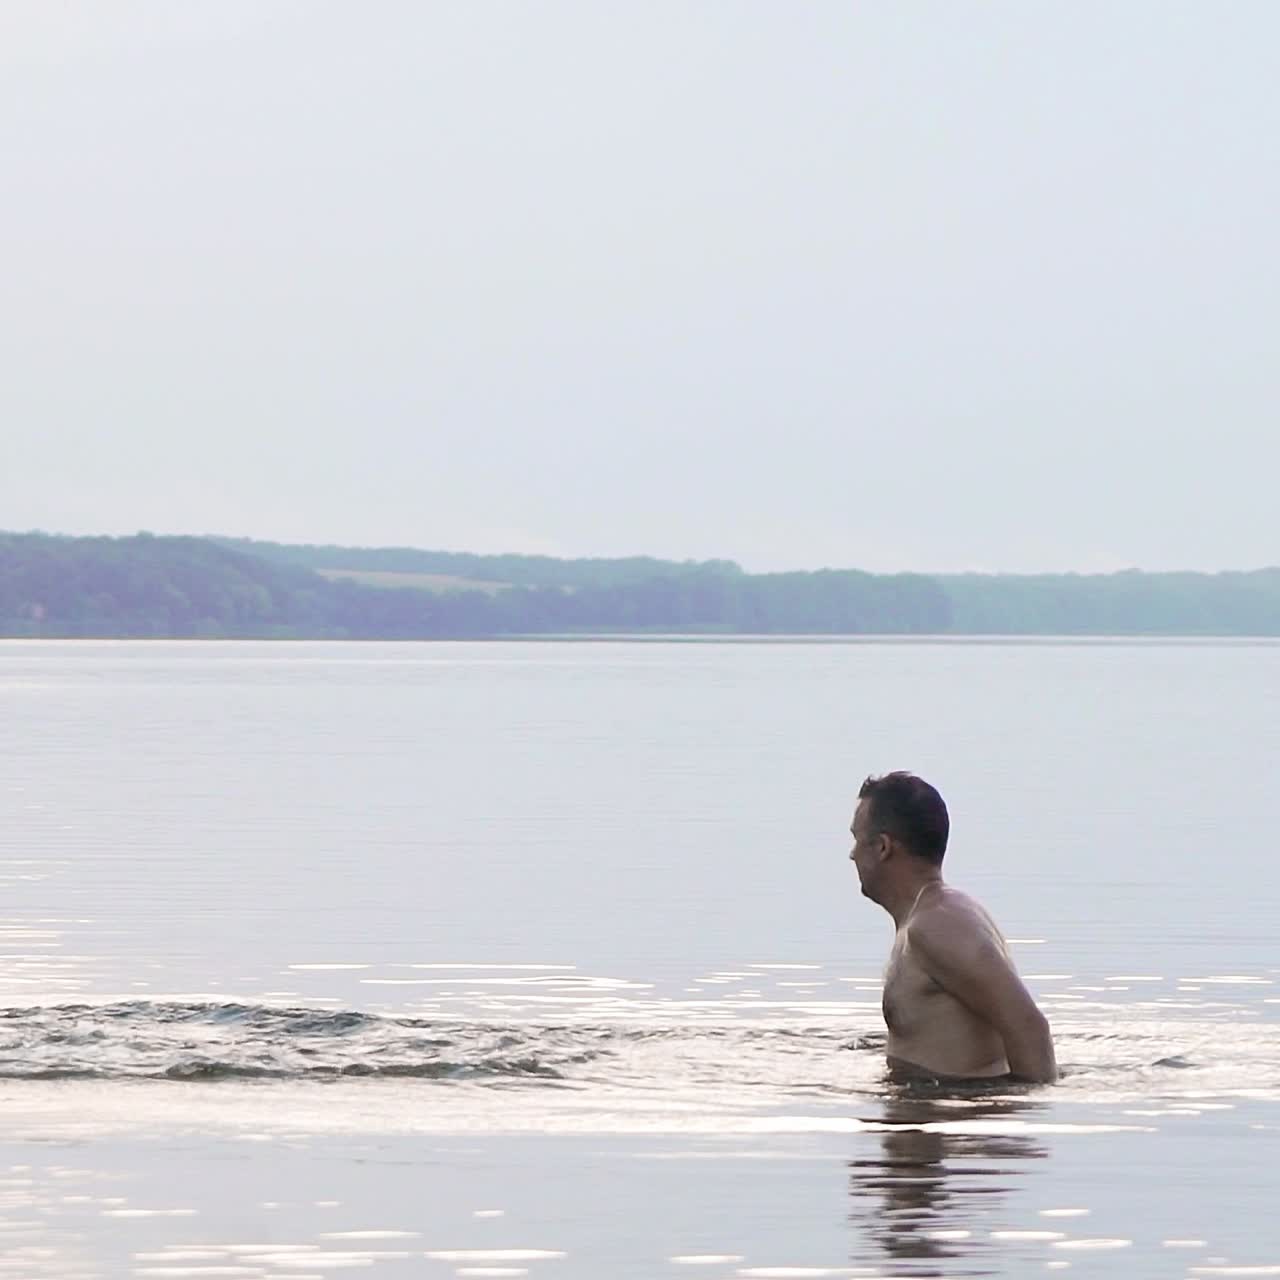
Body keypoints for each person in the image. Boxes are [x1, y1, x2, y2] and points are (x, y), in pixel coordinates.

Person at [849, 772, 1057, 1084]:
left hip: (955, 1110)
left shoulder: (938, 925)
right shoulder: (929, 918)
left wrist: (1010, 1111)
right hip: (932, 1105)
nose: (852, 854)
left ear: (882, 847)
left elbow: (1030, 1028)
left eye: (857, 840)